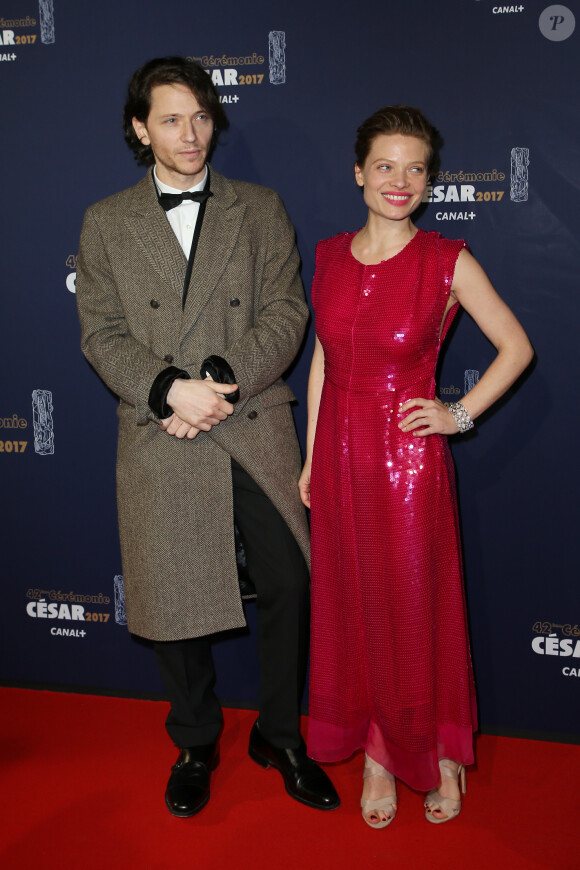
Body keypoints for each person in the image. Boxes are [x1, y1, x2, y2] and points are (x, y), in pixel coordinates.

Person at [76, 56, 339, 818]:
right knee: (174, 595)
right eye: (170, 119)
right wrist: (168, 389)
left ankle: (281, 735)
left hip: (248, 415)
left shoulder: (259, 206)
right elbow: (102, 333)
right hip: (163, 428)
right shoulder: (105, 221)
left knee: (291, 582)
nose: (190, 135)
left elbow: (288, 312)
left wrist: (219, 381)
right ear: (139, 129)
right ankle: (195, 740)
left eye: (200, 117)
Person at [298, 105, 533, 828]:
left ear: (429, 180)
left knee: (415, 611)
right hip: (338, 461)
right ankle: (376, 750)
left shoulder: (446, 259)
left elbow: (516, 348)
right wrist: (310, 457)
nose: (400, 181)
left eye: (416, 168)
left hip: (408, 470)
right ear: (359, 173)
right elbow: (322, 364)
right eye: (386, 165)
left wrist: (457, 415)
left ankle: (437, 752)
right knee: (353, 609)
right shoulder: (331, 256)